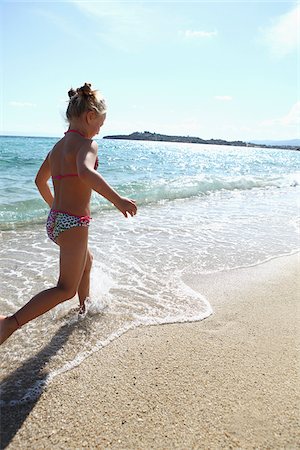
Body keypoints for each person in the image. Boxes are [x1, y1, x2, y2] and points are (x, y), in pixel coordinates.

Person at [0, 82, 137, 345]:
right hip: (73, 224)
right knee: (65, 288)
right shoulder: (87, 144)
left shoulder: (57, 148)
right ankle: (10, 323)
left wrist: (55, 209)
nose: (100, 129)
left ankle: (83, 308)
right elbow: (86, 173)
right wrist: (118, 200)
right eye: (101, 124)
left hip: (57, 222)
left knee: (87, 262)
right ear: (90, 117)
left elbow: (40, 181)